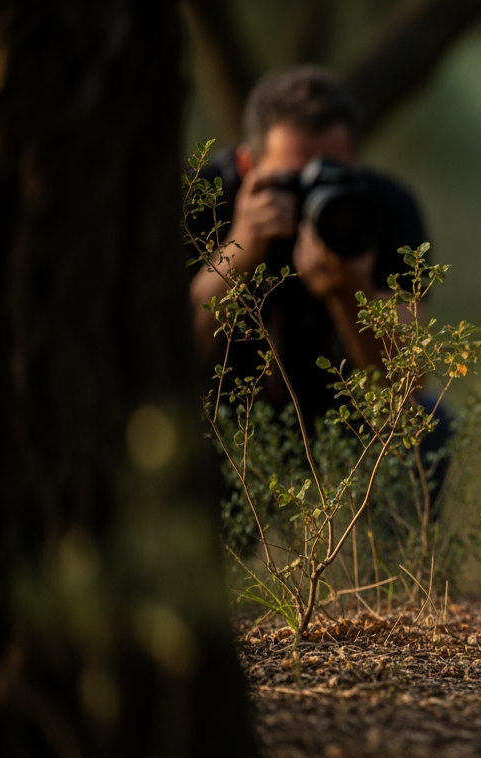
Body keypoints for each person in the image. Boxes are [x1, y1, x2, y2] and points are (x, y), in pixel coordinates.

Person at [190, 66, 450, 465]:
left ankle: (398, 531)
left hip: (341, 426)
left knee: (428, 422)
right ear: (246, 166)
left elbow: (407, 387)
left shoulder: (384, 209)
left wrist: (352, 294)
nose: (315, 198)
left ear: (357, 166)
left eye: (332, 179)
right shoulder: (205, 199)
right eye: (294, 182)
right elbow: (165, 360)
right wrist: (235, 256)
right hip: (227, 426)